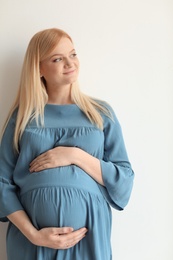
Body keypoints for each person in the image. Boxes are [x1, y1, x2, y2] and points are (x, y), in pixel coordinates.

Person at [0, 28, 134, 260]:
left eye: (72, 54)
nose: (70, 63)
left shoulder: (100, 114)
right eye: (57, 58)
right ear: (39, 68)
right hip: (32, 243)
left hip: (89, 237)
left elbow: (124, 180)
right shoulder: (22, 117)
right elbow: (1, 182)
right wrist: (34, 235)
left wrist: (75, 156)